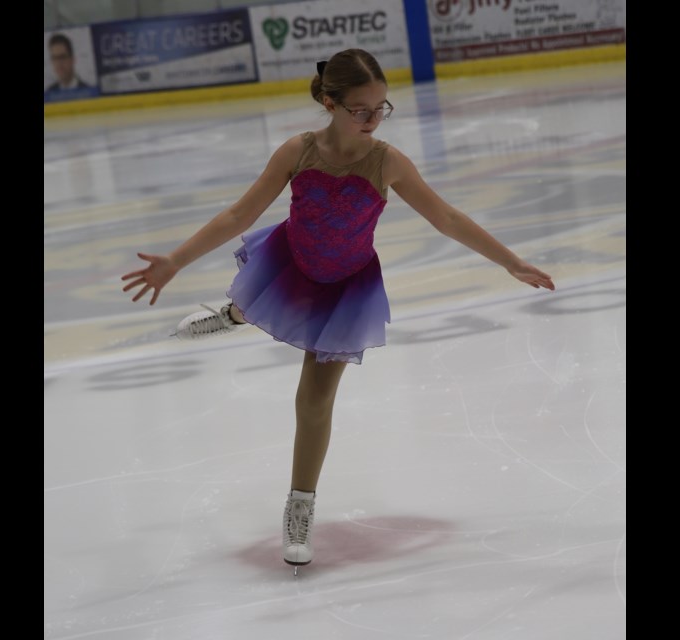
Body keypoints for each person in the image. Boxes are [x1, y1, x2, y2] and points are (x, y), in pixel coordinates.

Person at [121, 48, 555, 574]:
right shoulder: (296, 152)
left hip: (345, 286)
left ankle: (299, 505)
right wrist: (175, 261)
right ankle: (232, 314)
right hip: (293, 262)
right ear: (330, 102)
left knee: (312, 401)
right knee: (262, 301)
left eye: (382, 108)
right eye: (361, 110)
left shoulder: (387, 162)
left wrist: (509, 261)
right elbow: (239, 212)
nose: (373, 120)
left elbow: (447, 217)